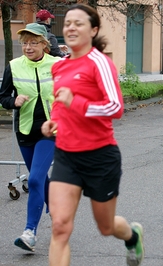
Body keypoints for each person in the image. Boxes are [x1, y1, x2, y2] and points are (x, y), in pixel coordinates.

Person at [40, 4, 144, 266]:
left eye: (78, 23)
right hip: (66, 155)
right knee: (60, 226)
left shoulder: (100, 62)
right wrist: (53, 120)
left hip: (100, 156)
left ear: (94, 29)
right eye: (67, 23)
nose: (71, 27)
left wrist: (76, 103)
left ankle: (132, 236)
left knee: (106, 227)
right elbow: (58, 101)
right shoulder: (60, 66)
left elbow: (115, 107)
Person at [0, 23, 59, 252]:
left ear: (44, 44)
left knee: (34, 179)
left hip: (51, 131)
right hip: (24, 131)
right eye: (24, 42)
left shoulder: (57, 65)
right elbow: (3, 96)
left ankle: (29, 233)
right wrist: (12, 102)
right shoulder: (13, 66)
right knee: (40, 179)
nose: (28, 47)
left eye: (33, 42)